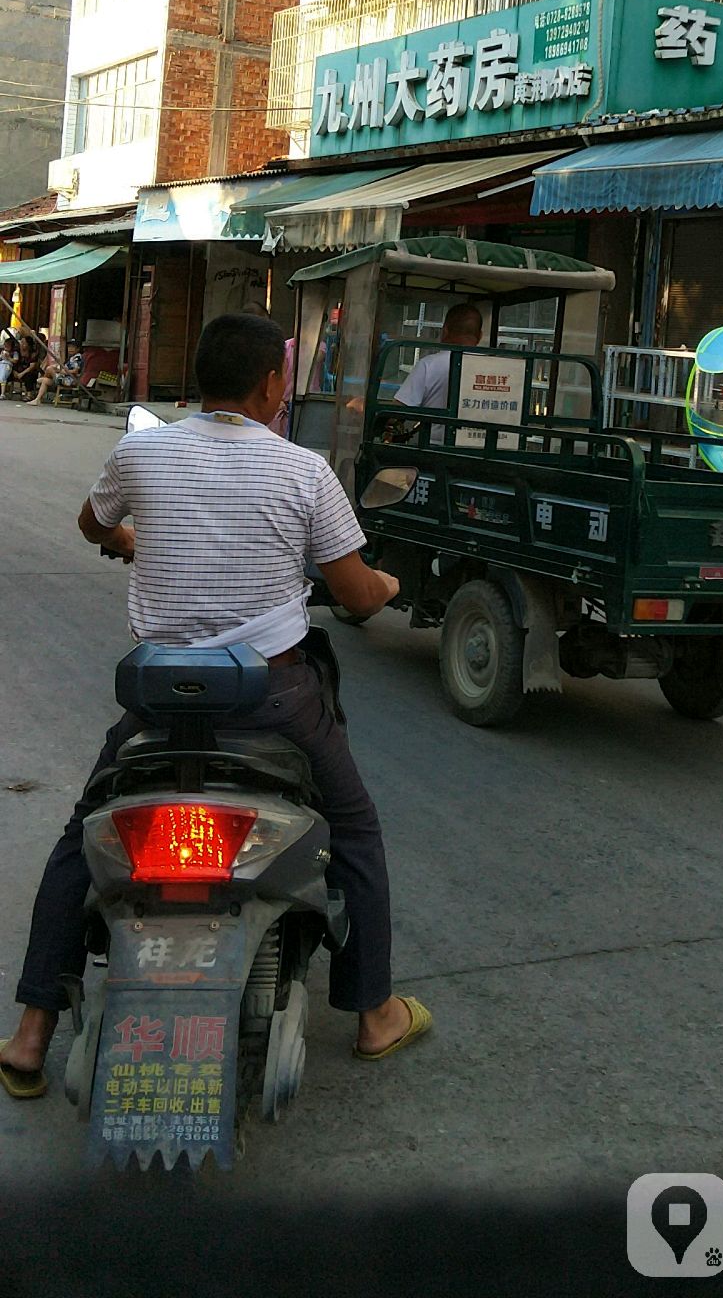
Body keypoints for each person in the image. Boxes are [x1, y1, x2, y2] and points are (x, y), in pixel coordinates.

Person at [0, 313, 431, 1100]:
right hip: (272, 698)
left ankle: (31, 1034)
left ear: (199, 378)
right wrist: (391, 587)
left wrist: (129, 542)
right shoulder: (303, 471)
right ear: (271, 384)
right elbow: (357, 594)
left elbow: (95, 522)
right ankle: (374, 1015)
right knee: (356, 828)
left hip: (159, 704)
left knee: (82, 834)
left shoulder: (141, 448)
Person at [394, 302, 484, 415]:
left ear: (445, 330)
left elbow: (398, 411)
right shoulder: (493, 367)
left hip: (432, 433)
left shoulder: (428, 365)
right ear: (480, 336)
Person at [31, 336, 85, 406]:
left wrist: (63, 372)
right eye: (69, 347)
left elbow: (75, 371)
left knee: (49, 369)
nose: (70, 349)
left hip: (69, 380)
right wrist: (60, 370)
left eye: (73, 347)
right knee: (44, 380)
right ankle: (37, 400)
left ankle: (44, 379)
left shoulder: (77, 357)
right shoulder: (70, 357)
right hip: (63, 377)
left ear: (78, 349)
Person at [11, 334, 40, 400]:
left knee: (29, 375)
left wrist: (21, 374)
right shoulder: (17, 351)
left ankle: (29, 395)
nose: (21, 344)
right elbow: (14, 362)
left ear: (28, 345)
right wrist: (14, 372)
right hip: (17, 370)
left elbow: (31, 367)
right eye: (21, 342)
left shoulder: (33, 353)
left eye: (24, 343)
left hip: (28, 371)